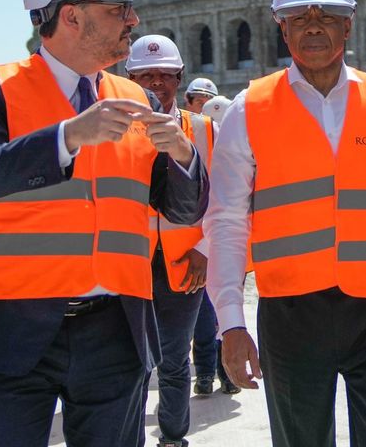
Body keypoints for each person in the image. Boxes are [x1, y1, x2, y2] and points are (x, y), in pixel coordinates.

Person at [0, 0, 207, 447]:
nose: (133, 20)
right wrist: (68, 137)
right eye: (119, 8)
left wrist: (183, 154)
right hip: (13, 327)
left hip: (115, 331)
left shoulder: (134, 96)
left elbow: (183, 207)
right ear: (70, 16)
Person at [205, 0, 366, 447]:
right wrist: (230, 322)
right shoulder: (248, 109)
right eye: (299, 18)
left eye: (325, 17)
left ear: (348, 23)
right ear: (282, 27)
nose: (312, 28)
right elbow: (227, 222)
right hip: (290, 312)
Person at [125, 34, 216, 447]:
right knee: (132, 361)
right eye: (146, 75)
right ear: (129, 78)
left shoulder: (204, 130)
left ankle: (174, 436)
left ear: (179, 78)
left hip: (184, 262)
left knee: (176, 359)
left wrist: (206, 251)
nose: (156, 84)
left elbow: (227, 198)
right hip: (128, 265)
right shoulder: (114, 132)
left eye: (165, 75)